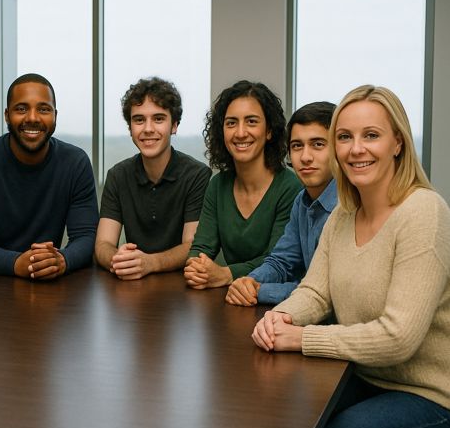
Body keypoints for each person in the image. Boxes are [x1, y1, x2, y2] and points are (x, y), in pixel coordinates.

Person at [252, 85, 450, 428]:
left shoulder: (424, 211)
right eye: (344, 137)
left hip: (429, 393)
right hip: (360, 372)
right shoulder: (345, 212)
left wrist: (301, 338)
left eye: (371, 135)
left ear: (398, 143)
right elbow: (315, 290)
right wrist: (281, 316)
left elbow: (398, 337)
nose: (356, 149)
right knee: (279, 410)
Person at [0, 73, 98, 279]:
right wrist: (15, 263)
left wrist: (62, 260)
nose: (33, 118)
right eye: (21, 109)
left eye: (43, 109)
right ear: (6, 115)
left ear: (55, 115)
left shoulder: (75, 162)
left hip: (54, 286)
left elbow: (86, 236)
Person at [184, 80, 301, 289]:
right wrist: (196, 267)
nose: (240, 133)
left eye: (251, 122)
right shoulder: (217, 185)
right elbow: (201, 247)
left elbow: (278, 261)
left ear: (269, 131)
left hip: (277, 305)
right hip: (232, 301)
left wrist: (226, 274)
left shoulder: (291, 188)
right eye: (231, 123)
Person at [95, 77, 211, 279]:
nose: (148, 129)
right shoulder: (117, 176)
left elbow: (192, 246)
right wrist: (118, 259)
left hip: (182, 290)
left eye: (158, 119)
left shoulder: (197, 175)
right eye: (139, 120)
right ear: (130, 128)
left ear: (174, 126)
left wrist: (150, 262)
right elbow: (103, 244)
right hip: (129, 286)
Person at [226, 101, 337, 305]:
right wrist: (249, 281)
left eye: (318, 144)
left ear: (339, 149)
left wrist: (260, 291)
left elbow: (329, 293)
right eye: (297, 146)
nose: (305, 157)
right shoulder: (301, 201)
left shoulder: (349, 207)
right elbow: (281, 262)